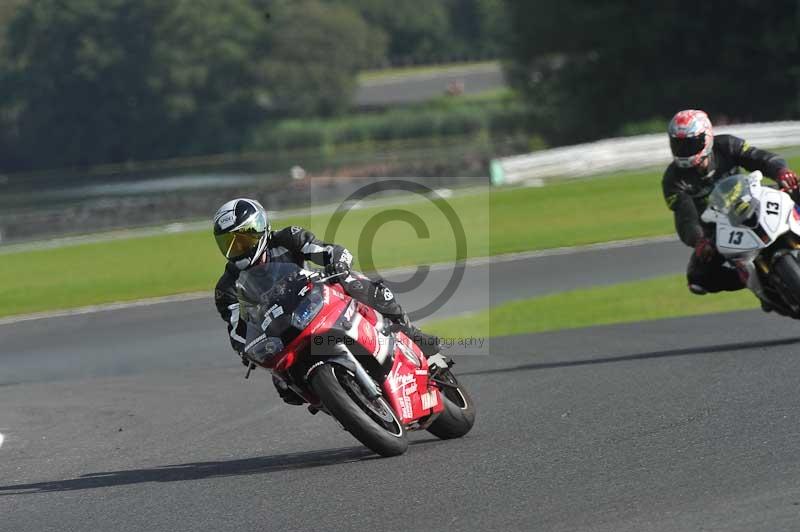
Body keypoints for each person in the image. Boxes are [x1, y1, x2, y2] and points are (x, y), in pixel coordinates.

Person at [212, 198, 440, 404]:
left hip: (316, 299)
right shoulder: (226, 288)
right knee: (286, 388)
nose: (237, 249)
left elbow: (329, 250)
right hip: (281, 332)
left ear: (260, 228)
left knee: (352, 280)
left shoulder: (288, 238)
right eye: (229, 244)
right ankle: (340, 402)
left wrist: (337, 264)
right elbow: (236, 331)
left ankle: (410, 332)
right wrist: (246, 350)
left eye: (242, 239)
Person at [662, 109, 799, 301]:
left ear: (706, 138)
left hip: (751, 200)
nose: (684, 150)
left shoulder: (726, 144)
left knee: (796, 187)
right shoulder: (673, 179)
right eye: (679, 144)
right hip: (716, 228)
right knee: (698, 279)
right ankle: (753, 279)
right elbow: (686, 216)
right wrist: (699, 240)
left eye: (690, 143)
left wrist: (781, 171)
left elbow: (760, 158)